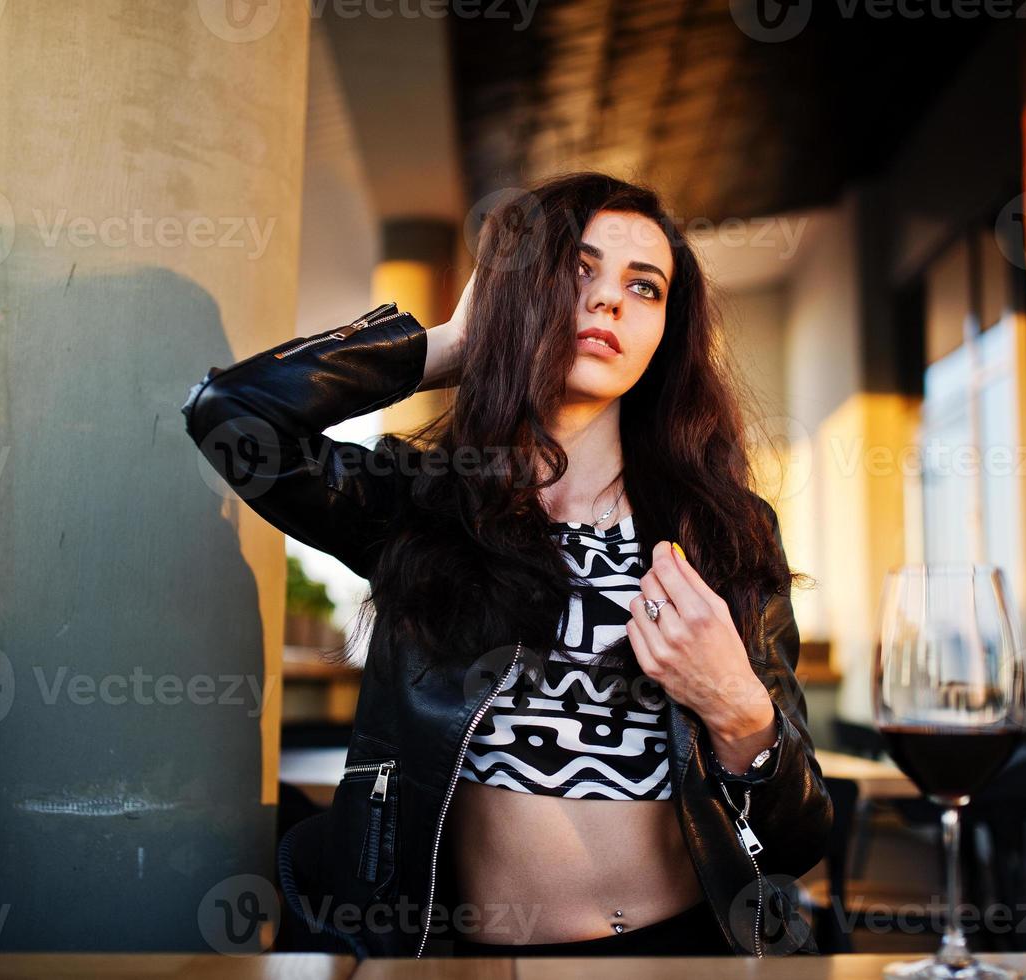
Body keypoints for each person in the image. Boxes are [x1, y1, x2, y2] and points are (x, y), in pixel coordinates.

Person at [181, 171, 833, 958]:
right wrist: (451, 343)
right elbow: (232, 416)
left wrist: (736, 708)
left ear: (665, 331)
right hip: (474, 964)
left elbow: (797, 839)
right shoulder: (421, 504)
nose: (608, 301)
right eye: (575, 270)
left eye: (644, 286)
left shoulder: (726, 531)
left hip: (683, 957)